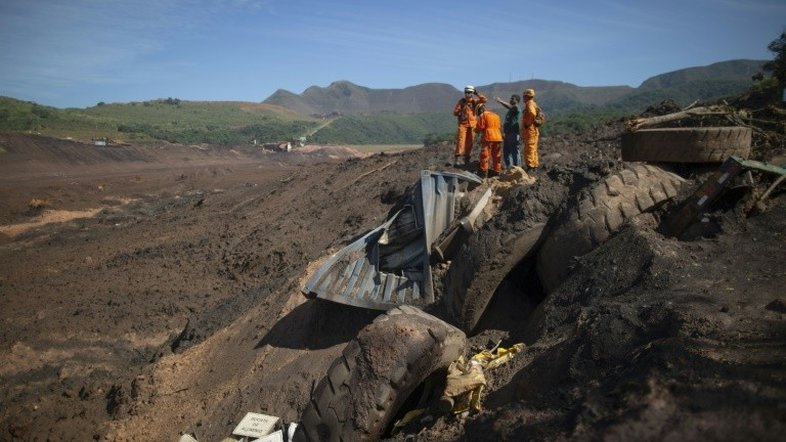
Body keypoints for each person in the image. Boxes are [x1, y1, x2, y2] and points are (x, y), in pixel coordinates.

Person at [452, 85, 487, 167]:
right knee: (461, 141)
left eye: (469, 92)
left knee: (470, 143)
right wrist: (460, 111)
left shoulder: (475, 102)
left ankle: (467, 159)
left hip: (472, 125)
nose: (468, 94)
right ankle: (457, 159)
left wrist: (477, 93)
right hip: (463, 125)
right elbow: (455, 112)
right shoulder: (462, 102)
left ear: (472, 93)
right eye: (466, 92)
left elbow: (484, 100)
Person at [474, 103, 503, 178]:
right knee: (497, 156)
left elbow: (480, 127)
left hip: (488, 137)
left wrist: (475, 130)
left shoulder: (483, 115)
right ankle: (497, 171)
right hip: (498, 137)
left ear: (480, 110)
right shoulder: (496, 115)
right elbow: (499, 126)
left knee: (485, 155)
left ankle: (484, 173)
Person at [494, 94, 521, 169]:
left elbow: (510, 106)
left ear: (517, 101)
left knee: (514, 151)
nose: (511, 99)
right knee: (506, 152)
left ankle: (517, 169)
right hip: (507, 133)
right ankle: (509, 168)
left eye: (513, 99)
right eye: (511, 98)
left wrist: (500, 101)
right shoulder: (510, 111)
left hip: (513, 133)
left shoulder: (516, 108)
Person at [520, 88, 540, 170]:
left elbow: (532, 113)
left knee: (529, 149)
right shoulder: (533, 104)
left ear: (527, 96)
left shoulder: (529, 104)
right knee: (533, 149)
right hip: (533, 131)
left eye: (524, 96)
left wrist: (527, 124)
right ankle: (534, 165)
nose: (523, 98)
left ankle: (530, 166)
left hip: (530, 131)